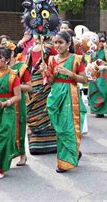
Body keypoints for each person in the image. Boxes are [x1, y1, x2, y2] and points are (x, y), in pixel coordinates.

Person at [43, 31, 87, 173]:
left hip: (71, 94)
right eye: (55, 42)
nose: (57, 45)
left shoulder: (76, 59)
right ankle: (74, 150)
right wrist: (47, 73)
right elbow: (50, 82)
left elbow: (84, 79)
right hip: (55, 95)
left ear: (68, 44)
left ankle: (65, 161)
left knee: (68, 126)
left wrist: (71, 74)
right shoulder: (51, 60)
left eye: (60, 42)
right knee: (59, 127)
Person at [0, 47, 21, 179]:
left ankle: (2, 168)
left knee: (4, 137)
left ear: (7, 60)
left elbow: (17, 96)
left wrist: (5, 103)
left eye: (0, 58)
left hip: (6, 110)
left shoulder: (13, 75)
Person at [25, 36, 58, 155]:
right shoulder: (31, 50)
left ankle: (50, 144)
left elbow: (56, 63)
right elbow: (26, 68)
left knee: (47, 111)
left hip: (46, 82)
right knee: (39, 110)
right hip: (35, 84)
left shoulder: (50, 49)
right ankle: (37, 144)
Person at [9, 46, 32, 166]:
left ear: (12, 53)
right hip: (5, 101)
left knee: (20, 126)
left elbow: (29, 86)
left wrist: (15, 85)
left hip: (19, 101)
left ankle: (22, 154)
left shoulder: (22, 67)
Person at [87, 34, 107, 118]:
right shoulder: (93, 49)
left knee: (102, 90)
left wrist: (105, 49)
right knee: (93, 89)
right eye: (99, 41)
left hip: (104, 73)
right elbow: (90, 61)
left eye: (103, 41)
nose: (101, 42)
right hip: (94, 71)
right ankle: (95, 110)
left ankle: (101, 111)